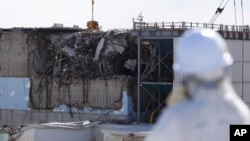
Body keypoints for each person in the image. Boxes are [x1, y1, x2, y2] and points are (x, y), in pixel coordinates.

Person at [145, 28, 250, 141]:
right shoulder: (239, 113)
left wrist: (176, 110)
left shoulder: (176, 119)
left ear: (186, 73)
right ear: (225, 68)